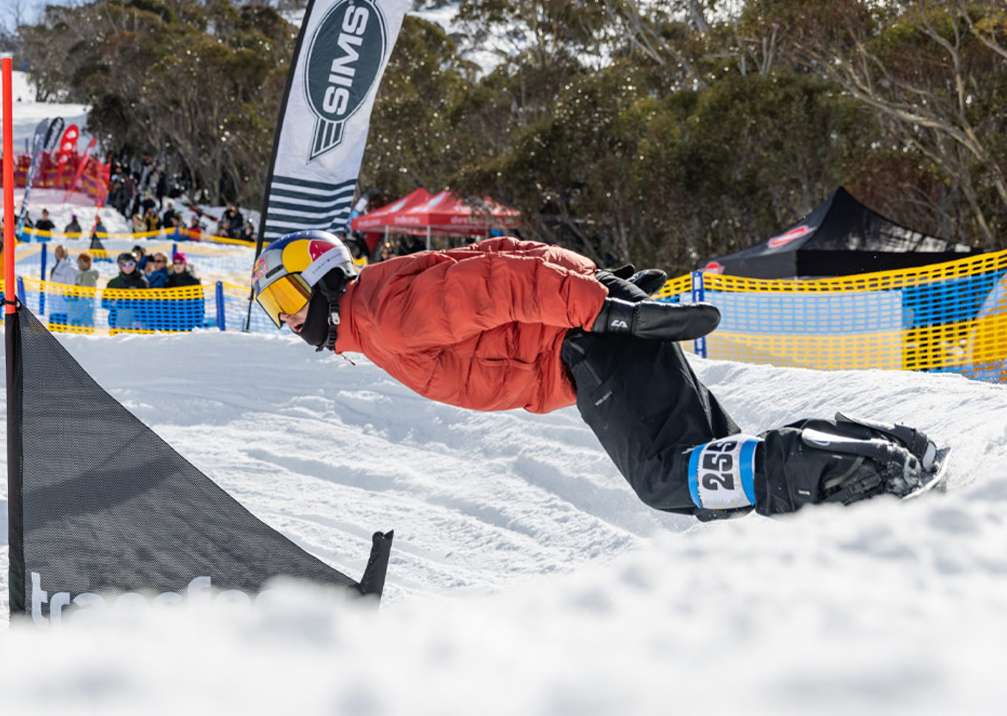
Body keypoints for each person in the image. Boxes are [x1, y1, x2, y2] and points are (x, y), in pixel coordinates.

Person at [251, 231, 941, 519]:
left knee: (670, 476)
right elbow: (504, 251)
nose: (286, 321)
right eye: (271, 309)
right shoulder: (379, 306)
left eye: (284, 299)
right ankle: (875, 450)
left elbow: (501, 279)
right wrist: (597, 283)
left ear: (320, 278)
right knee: (710, 464)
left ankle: (873, 473)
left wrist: (604, 310)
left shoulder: (386, 314)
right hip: (589, 335)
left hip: (586, 345)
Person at [102, 251, 149, 333]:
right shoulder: (114, 282)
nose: (127, 267)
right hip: (116, 321)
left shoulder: (142, 281)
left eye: (130, 264)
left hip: (136, 322)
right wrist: (112, 304)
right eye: (124, 265)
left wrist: (140, 319)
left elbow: (146, 303)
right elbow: (104, 301)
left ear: (135, 264)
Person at [163, 251, 203, 331]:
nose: (177, 266)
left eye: (180, 263)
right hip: (173, 319)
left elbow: (200, 302)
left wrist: (198, 320)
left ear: (185, 264)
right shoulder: (169, 280)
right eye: (175, 263)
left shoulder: (193, 280)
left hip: (189, 318)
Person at [48, 245, 78, 327]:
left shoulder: (70, 267)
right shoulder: (54, 268)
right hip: (53, 307)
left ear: (66, 253)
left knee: (61, 334)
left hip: (63, 308)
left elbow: (72, 286)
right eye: (58, 251)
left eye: (62, 251)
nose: (60, 253)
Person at [70, 251, 99, 330]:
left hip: (86, 310)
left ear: (89, 263)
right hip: (77, 310)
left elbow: (87, 293)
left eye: (84, 261)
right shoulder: (79, 275)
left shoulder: (89, 275)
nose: (81, 264)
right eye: (79, 262)